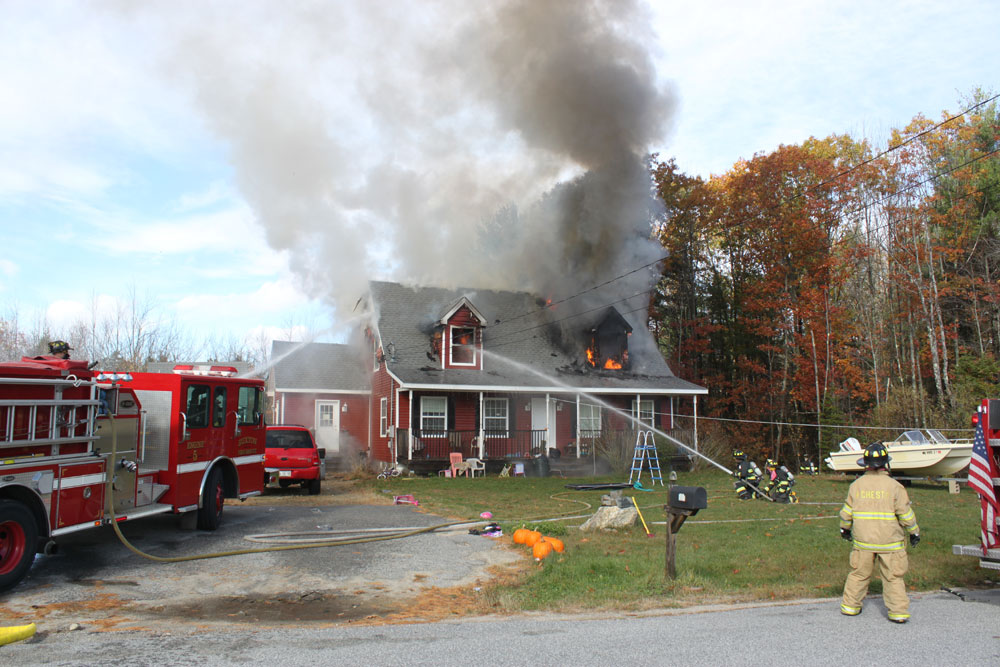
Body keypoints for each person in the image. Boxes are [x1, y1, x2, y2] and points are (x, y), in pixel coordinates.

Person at [839, 442, 920, 623]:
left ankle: (850, 606)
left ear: (865, 464)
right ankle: (898, 612)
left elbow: (846, 513)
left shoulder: (856, 486)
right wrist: (914, 532)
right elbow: (905, 514)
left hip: (863, 541)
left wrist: (845, 529)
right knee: (893, 578)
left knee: (858, 574)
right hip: (890, 542)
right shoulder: (895, 486)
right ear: (886, 464)